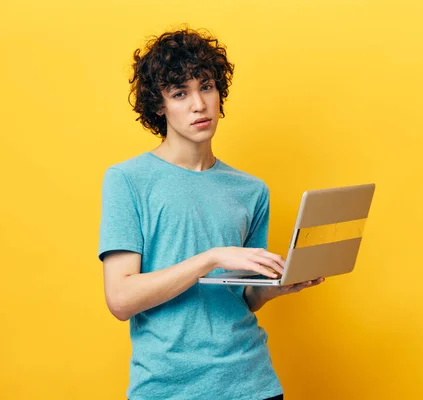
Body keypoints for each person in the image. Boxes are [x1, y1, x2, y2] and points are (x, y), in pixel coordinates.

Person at [98, 27, 324, 400]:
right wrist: (211, 257)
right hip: (168, 388)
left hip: (252, 382)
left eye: (206, 87)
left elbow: (242, 296)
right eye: (179, 93)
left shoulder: (252, 190)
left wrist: (272, 289)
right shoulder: (127, 180)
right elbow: (121, 298)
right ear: (159, 105)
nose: (199, 105)